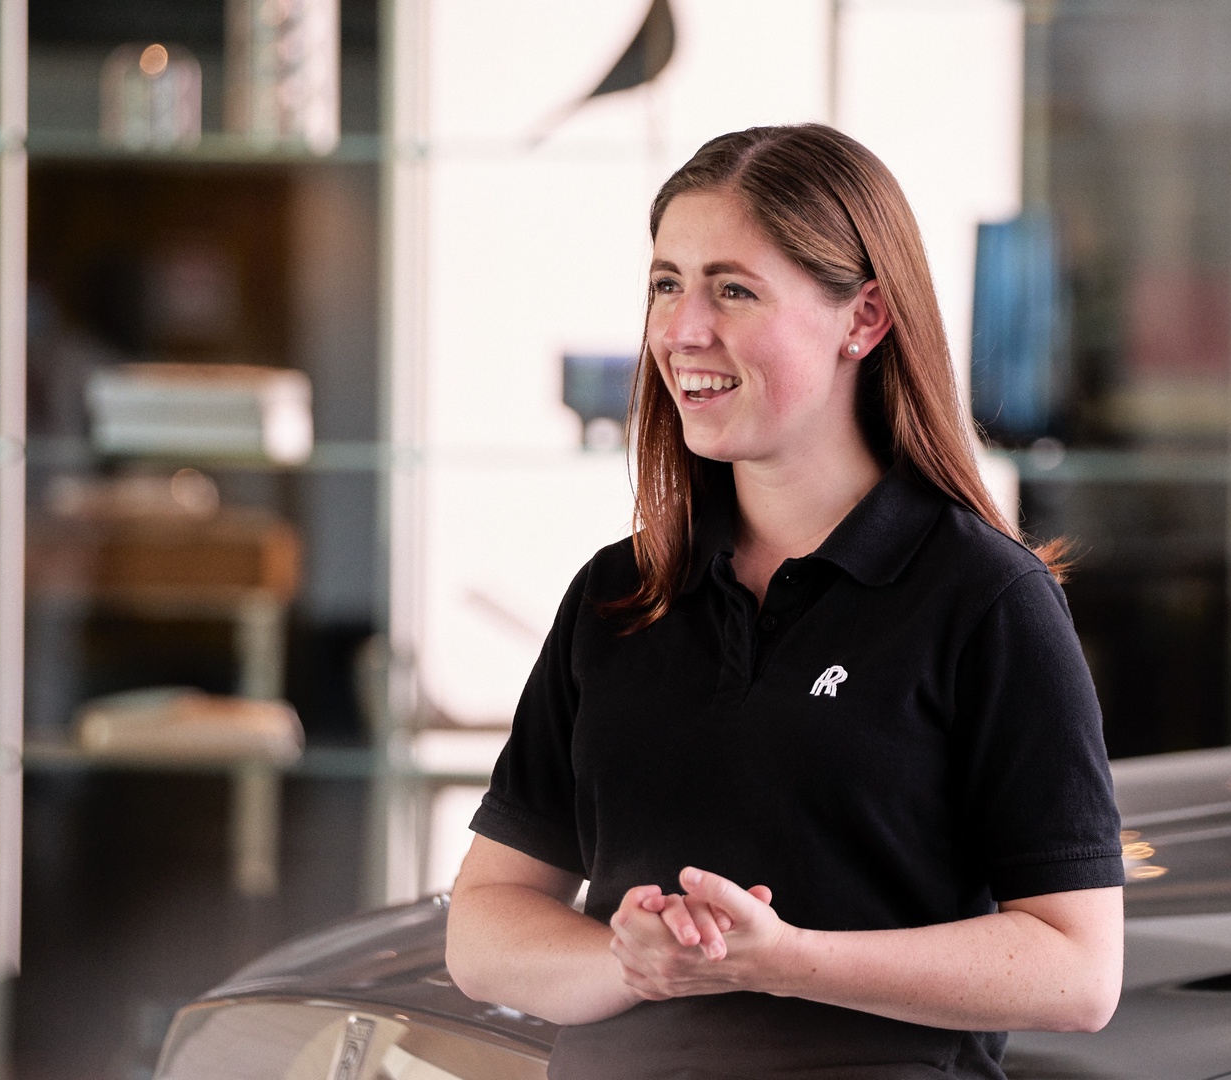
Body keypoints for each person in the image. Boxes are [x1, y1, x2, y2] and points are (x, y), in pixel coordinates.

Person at [447, 124, 1123, 1080]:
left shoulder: (986, 598)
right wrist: (635, 961)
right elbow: (481, 926)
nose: (684, 329)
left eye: (734, 289)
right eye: (666, 283)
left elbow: (1078, 969)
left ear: (865, 319)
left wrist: (786, 961)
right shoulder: (619, 593)